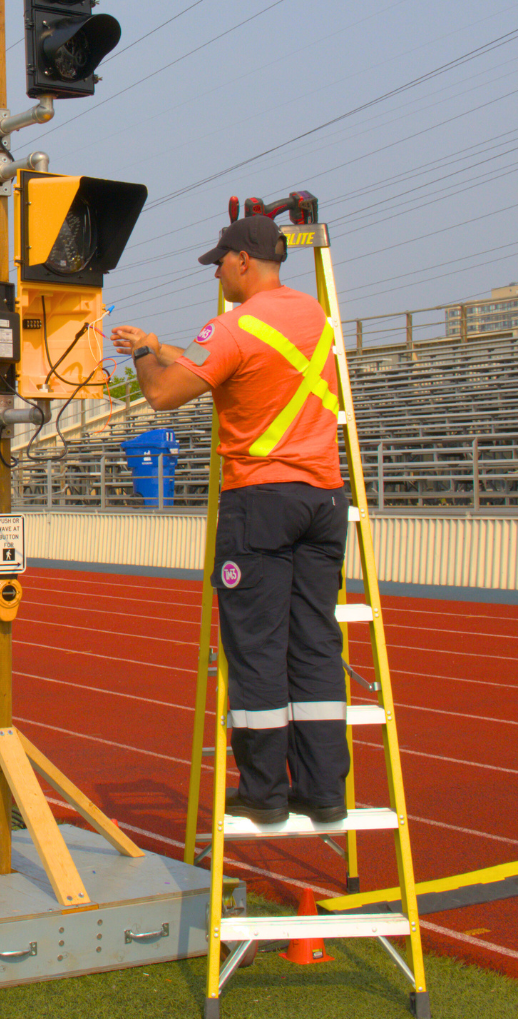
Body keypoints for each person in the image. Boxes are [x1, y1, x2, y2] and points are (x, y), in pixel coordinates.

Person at [110, 213, 349, 825]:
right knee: (316, 644)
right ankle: (324, 790)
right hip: (322, 498)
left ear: (244, 261)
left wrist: (142, 353)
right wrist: (164, 344)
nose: (216, 271)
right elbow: (236, 362)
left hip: (260, 501)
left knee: (256, 649)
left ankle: (265, 792)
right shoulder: (314, 318)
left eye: (220, 261)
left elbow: (165, 395)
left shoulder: (234, 325)